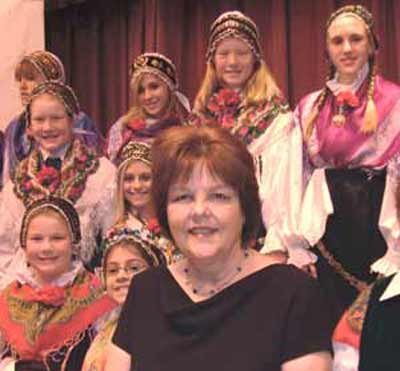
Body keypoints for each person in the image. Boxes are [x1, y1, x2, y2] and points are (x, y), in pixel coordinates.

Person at [93, 126, 333, 371]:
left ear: (245, 209)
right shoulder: (145, 289)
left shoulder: (293, 294)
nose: (199, 211)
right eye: (182, 197)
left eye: (219, 196)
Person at [285, 5, 400, 322]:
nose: (347, 49)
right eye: (338, 41)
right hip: (327, 230)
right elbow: (297, 179)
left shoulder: (395, 101)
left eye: (355, 39)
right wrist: (296, 245)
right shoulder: (309, 107)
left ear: (372, 44)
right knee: (329, 321)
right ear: (327, 49)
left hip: (378, 225)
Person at [0, 196, 115, 371]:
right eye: (37, 239)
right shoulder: (7, 298)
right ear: (24, 246)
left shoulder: (99, 296)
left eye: (57, 238)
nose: (46, 247)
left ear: (74, 244)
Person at [191, 11, 293, 253]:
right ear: (212, 60)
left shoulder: (276, 117)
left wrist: (277, 245)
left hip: (256, 234)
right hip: (207, 231)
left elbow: (281, 188)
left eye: (242, 53)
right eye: (224, 53)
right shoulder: (199, 117)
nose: (232, 62)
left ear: (255, 58)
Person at [0, 81, 116, 287]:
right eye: (39, 120)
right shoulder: (15, 186)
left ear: (72, 121)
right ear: (29, 126)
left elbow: (113, 242)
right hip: (28, 289)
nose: (47, 127)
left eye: (56, 118)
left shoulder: (101, 175)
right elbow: (5, 252)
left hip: (87, 290)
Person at [79, 226, 166, 371]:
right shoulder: (105, 331)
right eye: (113, 270)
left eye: (134, 268)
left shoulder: (164, 329)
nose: (121, 276)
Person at [3, 50, 105, 187]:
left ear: (52, 81)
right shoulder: (14, 127)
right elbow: (8, 178)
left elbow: (94, 169)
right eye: (20, 80)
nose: (22, 86)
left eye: (30, 79)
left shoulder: (79, 121)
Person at [107, 52, 189, 162]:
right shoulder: (122, 129)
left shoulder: (185, 130)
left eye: (154, 87)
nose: (147, 96)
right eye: (141, 91)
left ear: (169, 88)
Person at [113, 140, 179, 263]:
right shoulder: (117, 234)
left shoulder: (174, 221)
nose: (137, 185)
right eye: (128, 179)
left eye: (145, 178)